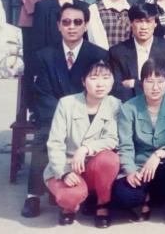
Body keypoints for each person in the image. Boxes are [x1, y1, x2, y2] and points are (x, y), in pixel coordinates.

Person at [23, 2, 109, 219]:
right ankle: (33, 195)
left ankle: (89, 192)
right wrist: (63, 119)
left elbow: (99, 91)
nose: (72, 27)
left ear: (86, 25)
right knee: (45, 135)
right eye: (66, 22)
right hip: (54, 114)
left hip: (87, 113)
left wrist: (80, 114)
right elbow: (43, 93)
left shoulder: (97, 54)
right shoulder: (45, 55)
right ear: (59, 26)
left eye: (78, 22)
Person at [112, 61, 165, 228]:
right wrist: (130, 171)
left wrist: (158, 155)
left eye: (160, 81)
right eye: (149, 81)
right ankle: (147, 196)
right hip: (140, 167)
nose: (155, 87)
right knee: (123, 195)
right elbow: (125, 145)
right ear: (141, 83)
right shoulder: (129, 107)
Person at [44, 61, 121, 227]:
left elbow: (112, 139)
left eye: (106, 78)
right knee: (69, 196)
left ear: (112, 81)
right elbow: (55, 143)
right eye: (94, 78)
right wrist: (63, 173)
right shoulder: (66, 104)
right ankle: (69, 207)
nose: (100, 84)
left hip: (94, 166)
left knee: (110, 159)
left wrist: (86, 149)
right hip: (67, 165)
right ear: (83, 81)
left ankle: (102, 203)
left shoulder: (115, 104)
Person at [108, 3, 165, 101]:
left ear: (155, 24)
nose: (144, 27)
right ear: (131, 23)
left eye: (148, 22)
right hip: (129, 103)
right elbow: (117, 89)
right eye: (139, 21)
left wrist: (136, 84)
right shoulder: (117, 52)